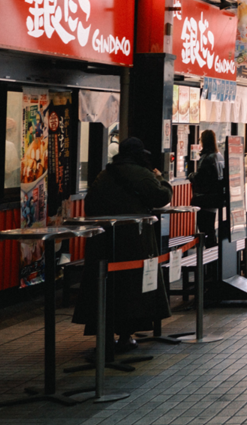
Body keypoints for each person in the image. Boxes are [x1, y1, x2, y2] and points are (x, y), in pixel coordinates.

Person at [73, 138, 173, 353]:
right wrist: (161, 179)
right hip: (134, 241)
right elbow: (162, 197)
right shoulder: (143, 174)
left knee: (106, 287)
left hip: (102, 242)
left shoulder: (104, 174)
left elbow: (89, 204)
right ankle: (126, 336)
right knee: (132, 289)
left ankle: (105, 336)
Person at [188, 129, 226, 246]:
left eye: (201, 139)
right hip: (215, 198)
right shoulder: (219, 156)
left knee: (205, 229)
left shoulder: (207, 158)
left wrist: (191, 175)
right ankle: (213, 257)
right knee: (210, 228)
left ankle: (210, 258)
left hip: (205, 198)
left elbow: (200, 177)